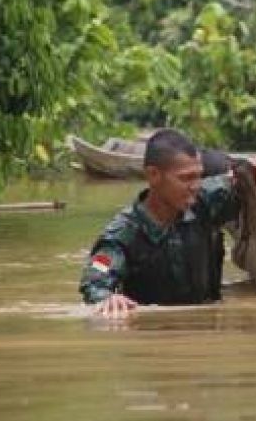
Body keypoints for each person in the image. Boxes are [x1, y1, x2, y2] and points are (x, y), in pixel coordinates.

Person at [79, 129, 247, 316]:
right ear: (153, 175)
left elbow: (239, 179)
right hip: (154, 329)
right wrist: (107, 298)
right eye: (185, 178)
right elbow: (96, 278)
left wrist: (247, 172)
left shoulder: (205, 201)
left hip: (207, 324)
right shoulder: (123, 234)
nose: (195, 186)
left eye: (199, 176)